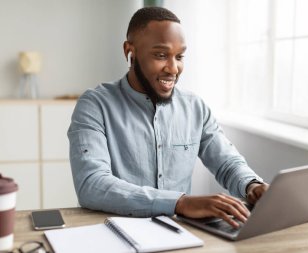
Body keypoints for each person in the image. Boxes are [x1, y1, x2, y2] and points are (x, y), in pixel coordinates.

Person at [68, 6, 269, 228]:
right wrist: (179, 203)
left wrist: (252, 185)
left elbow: (227, 162)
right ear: (129, 51)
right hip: (115, 232)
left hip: (180, 234)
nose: (173, 69)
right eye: (161, 55)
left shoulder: (195, 107)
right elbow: (92, 184)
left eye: (180, 56)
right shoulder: (95, 105)